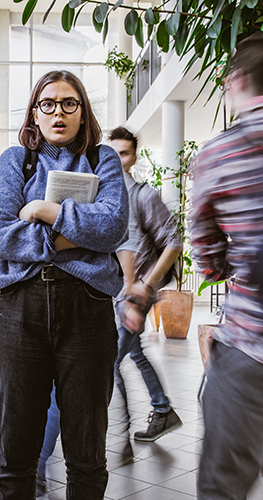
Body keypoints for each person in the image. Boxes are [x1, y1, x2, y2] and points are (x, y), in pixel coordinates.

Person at [0, 70, 129, 499]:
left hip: (87, 309)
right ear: (34, 112)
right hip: (20, 311)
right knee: (16, 454)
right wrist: (71, 240)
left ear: (83, 113)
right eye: (48, 103)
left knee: (86, 455)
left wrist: (45, 210)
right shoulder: (14, 160)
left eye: (69, 103)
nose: (58, 112)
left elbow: (113, 227)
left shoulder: (104, 160)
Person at [191, 35, 263, 500]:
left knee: (224, 481)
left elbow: (206, 253)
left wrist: (225, 266)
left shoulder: (221, 153)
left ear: (237, 81)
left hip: (254, 344)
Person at [108, 127, 183, 458]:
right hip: (114, 295)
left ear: (134, 156)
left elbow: (174, 243)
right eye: (112, 153)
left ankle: (119, 431)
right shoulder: (106, 195)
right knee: (134, 353)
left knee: (108, 362)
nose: (118, 160)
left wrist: (146, 285)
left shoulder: (143, 195)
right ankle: (163, 410)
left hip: (136, 296)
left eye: (124, 153)